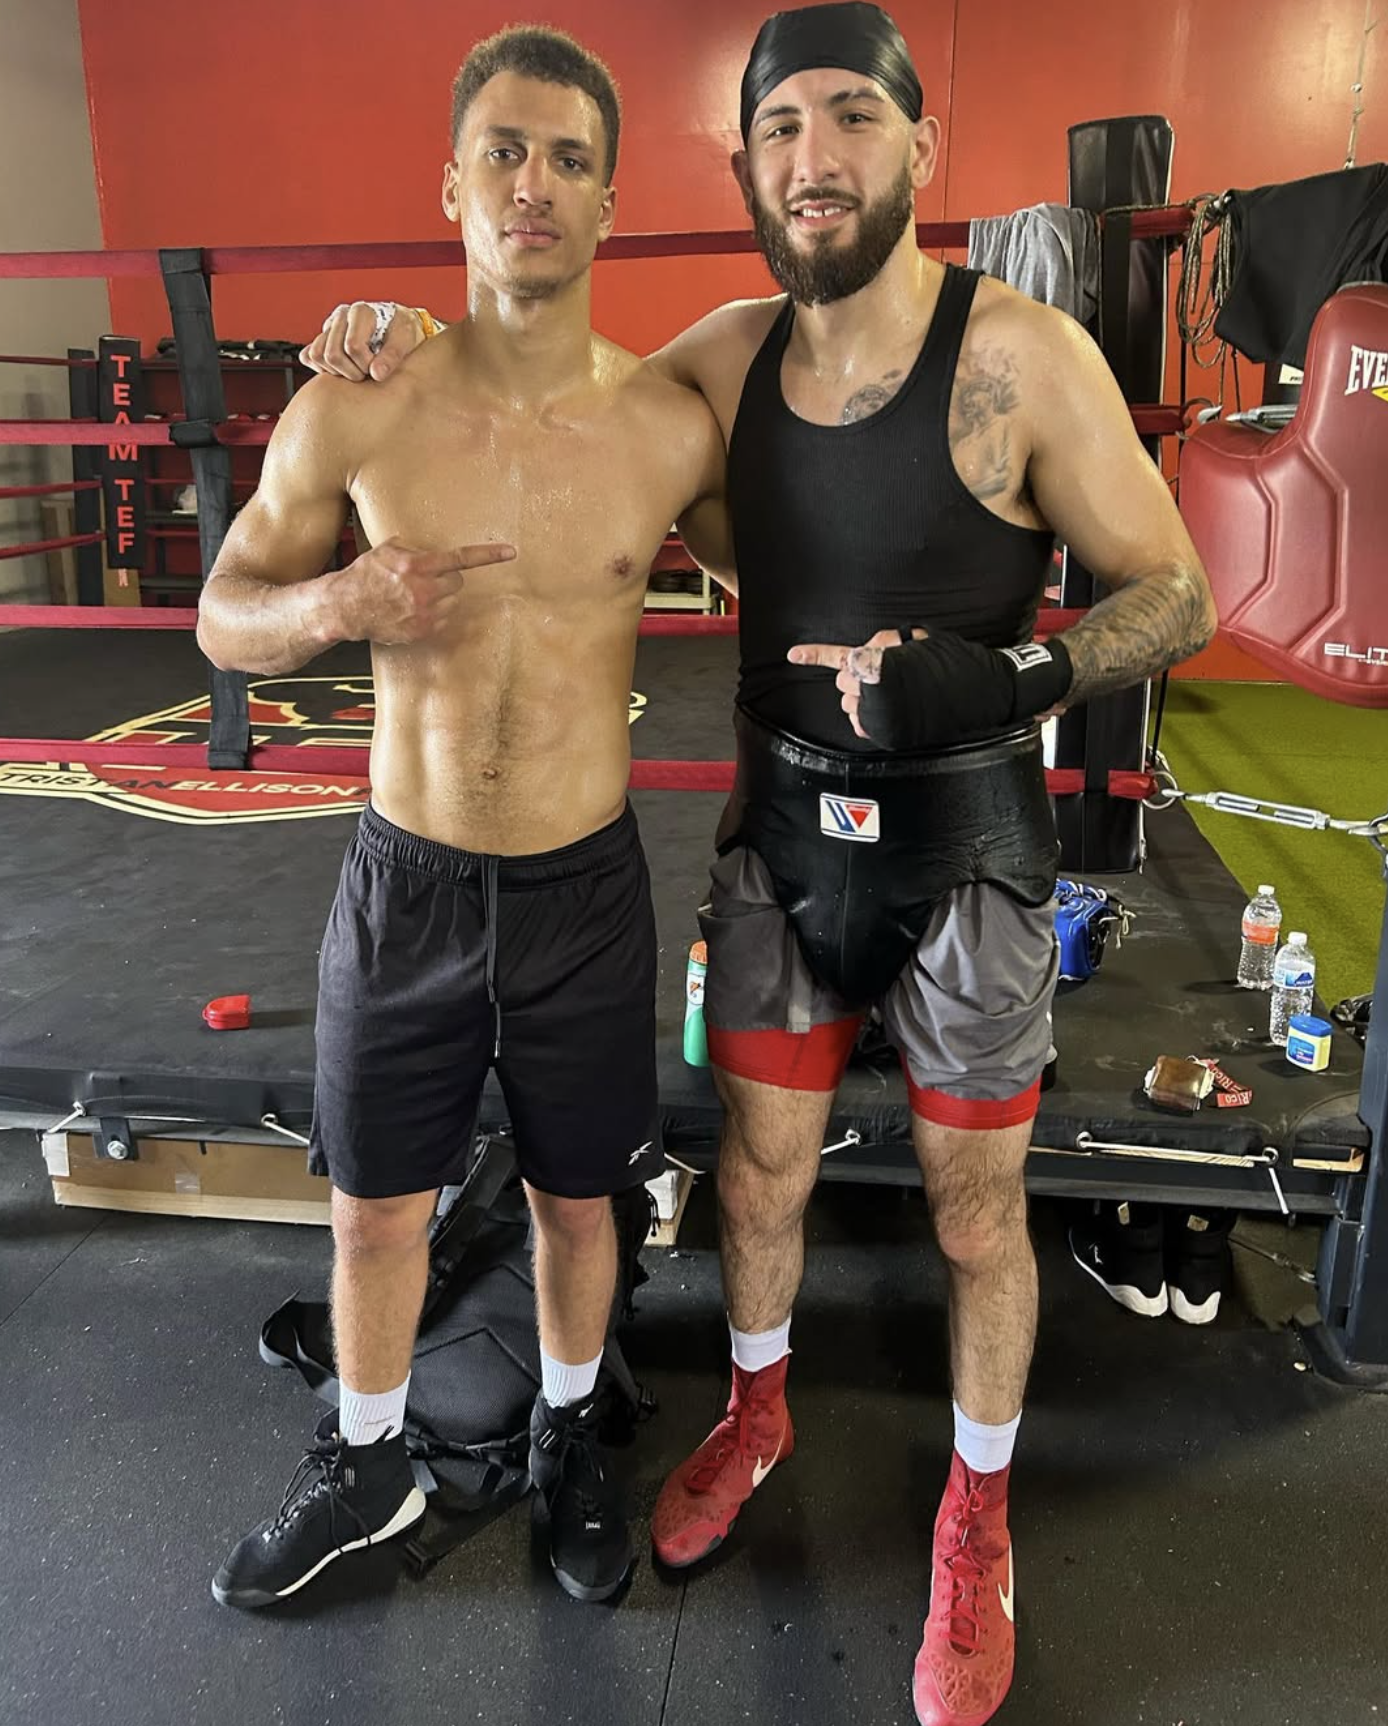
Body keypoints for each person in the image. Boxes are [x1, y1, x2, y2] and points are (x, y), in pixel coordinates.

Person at [304, 5, 1216, 1718]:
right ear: (743, 162)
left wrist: (1013, 671)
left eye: (852, 115)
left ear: (920, 145)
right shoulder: (715, 362)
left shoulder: (1022, 356)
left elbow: (1178, 589)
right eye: (779, 124)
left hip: (968, 849)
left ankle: (976, 1519)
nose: (816, 156)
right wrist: (384, 332)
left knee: (975, 1208)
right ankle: (757, 1401)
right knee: (758, 1174)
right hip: (783, 840)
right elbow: (538, 396)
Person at [197, 24, 727, 1613]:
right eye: (504, 150)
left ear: (611, 202)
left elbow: (808, 573)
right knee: (373, 1211)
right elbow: (224, 618)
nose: (534, 185)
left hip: (583, 886)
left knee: (581, 1204)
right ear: (452, 184)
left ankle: (572, 1435)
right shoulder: (360, 403)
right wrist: (345, 599)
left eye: (570, 158)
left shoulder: (662, 428)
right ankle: (366, 1457)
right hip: (406, 880)